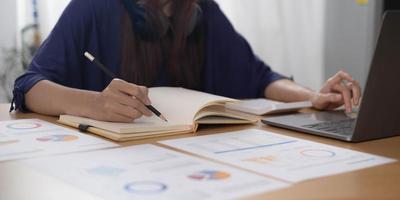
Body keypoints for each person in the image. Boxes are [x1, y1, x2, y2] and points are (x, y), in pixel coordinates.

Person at [11, 0, 361, 123]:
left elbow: (260, 77)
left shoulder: (203, 13)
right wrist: (96, 103)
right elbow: (28, 87)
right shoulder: (94, 7)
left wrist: (310, 96)